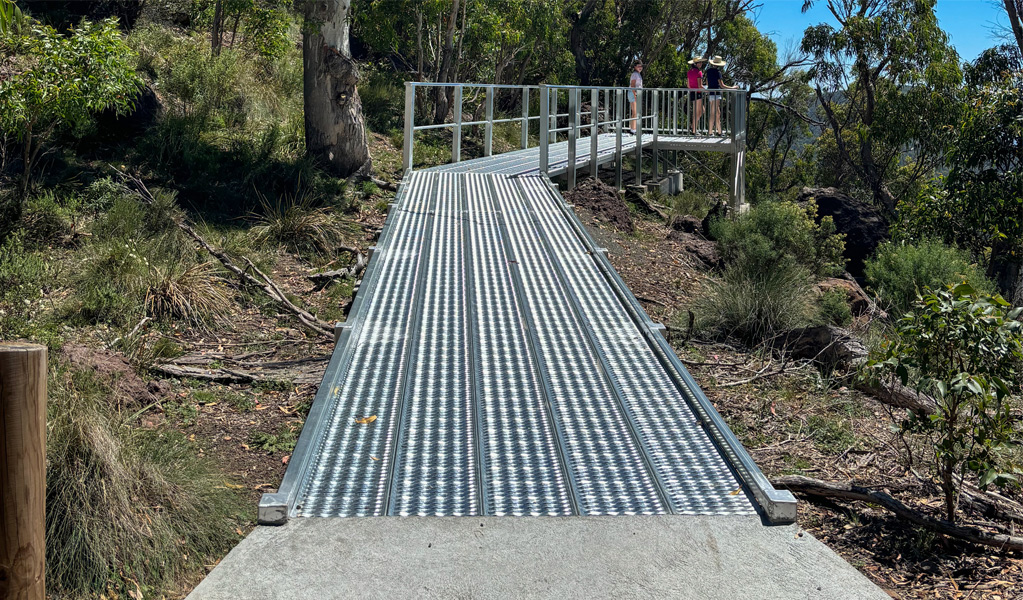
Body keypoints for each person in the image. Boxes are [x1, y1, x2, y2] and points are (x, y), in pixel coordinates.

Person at [705, 55, 737, 135]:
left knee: (717, 113)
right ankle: (710, 132)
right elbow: (722, 85)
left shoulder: (708, 71)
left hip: (711, 94)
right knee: (713, 113)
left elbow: (707, 83)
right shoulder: (718, 72)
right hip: (716, 94)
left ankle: (719, 131)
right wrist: (733, 88)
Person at [686, 56, 706, 133]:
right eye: (699, 62)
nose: (700, 64)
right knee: (700, 111)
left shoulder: (689, 72)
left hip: (692, 92)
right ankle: (693, 129)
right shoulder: (699, 72)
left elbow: (688, 85)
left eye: (701, 62)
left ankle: (693, 127)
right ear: (696, 64)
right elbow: (700, 86)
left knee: (697, 111)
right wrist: (706, 90)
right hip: (698, 93)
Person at [628, 60, 643, 135]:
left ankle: (634, 128)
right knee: (634, 112)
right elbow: (633, 84)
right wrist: (635, 94)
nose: (640, 67)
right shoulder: (634, 74)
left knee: (636, 112)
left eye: (641, 66)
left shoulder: (638, 74)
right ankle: (633, 130)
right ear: (635, 67)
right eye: (638, 66)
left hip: (636, 93)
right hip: (633, 93)